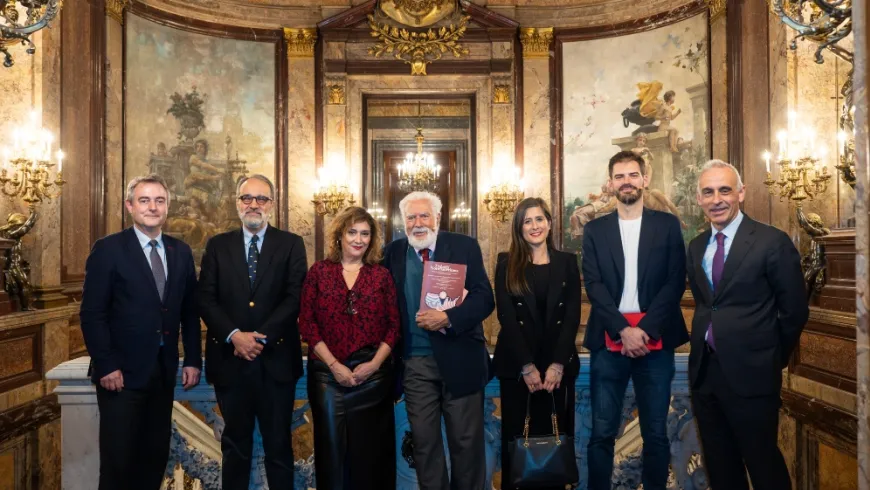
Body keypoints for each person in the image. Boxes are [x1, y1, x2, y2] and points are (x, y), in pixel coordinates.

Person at [687, 160, 808, 490]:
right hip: (705, 375)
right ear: (699, 199)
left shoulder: (772, 241)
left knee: (763, 464)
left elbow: (794, 311)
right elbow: (707, 305)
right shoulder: (697, 246)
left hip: (753, 375)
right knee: (721, 468)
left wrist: (770, 358)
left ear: (740, 192)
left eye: (725, 190)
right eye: (708, 192)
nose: (717, 199)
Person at [80, 174, 202, 490]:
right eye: (144, 200)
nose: (152, 207)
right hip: (119, 375)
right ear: (130, 206)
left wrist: (192, 358)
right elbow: (93, 314)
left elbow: (189, 311)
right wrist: (106, 364)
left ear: (167, 207)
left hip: (162, 373)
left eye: (159, 201)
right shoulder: (108, 249)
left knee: (153, 459)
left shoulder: (181, 251)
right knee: (118, 465)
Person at [582, 151, 689, 490]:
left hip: (655, 341)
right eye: (619, 176)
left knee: (656, 433)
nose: (626, 181)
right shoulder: (595, 230)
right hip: (608, 340)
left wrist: (642, 330)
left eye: (632, 175)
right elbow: (593, 283)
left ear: (644, 180)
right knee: (601, 433)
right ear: (611, 183)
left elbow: (675, 280)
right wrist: (622, 329)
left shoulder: (667, 225)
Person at [198, 174, 307, 490]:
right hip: (230, 362)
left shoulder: (291, 244)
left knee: (279, 448)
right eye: (247, 198)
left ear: (272, 204)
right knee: (235, 448)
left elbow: (295, 295)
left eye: (262, 199)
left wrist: (259, 337)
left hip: (276, 362)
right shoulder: (218, 245)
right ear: (237, 202)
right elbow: (205, 297)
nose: (254, 204)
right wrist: (234, 335)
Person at [382, 191, 495, 490]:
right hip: (415, 365)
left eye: (424, 216)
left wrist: (448, 318)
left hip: (461, 360)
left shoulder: (463, 247)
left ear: (437, 218)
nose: (418, 223)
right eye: (411, 217)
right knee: (424, 444)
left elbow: (485, 298)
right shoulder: (391, 253)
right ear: (402, 221)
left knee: (466, 444)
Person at [299, 206, 400, 490]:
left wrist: (375, 365)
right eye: (352, 232)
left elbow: (394, 327)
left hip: (373, 376)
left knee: (371, 457)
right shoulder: (319, 272)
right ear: (340, 235)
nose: (359, 239)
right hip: (327, 376)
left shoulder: (381, 276)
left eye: (365, 234)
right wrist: (334, 365)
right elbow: (307, 324)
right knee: (331, 454)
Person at [492, 197, 581, 489]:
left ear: (550, 223)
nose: (534, 226)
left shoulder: (567, 262)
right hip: (520, 371)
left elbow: (571, 317)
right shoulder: (506, 263)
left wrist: (557, 365)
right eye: (527, 221)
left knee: (556, 443)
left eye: (539, 219)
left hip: (557, 370)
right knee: (518, 447)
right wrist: (527, 367)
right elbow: (506, 316)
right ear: (519, 228)